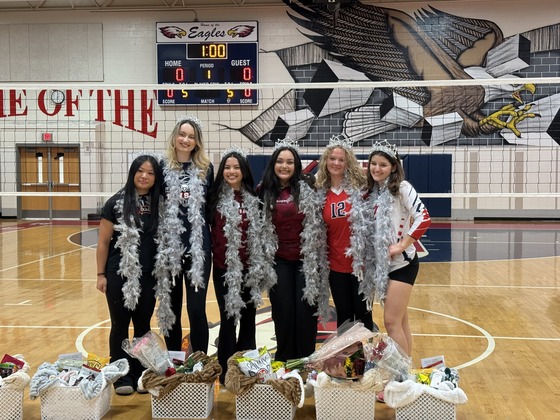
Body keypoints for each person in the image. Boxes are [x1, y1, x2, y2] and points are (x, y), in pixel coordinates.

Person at [96, 154, 164, 395]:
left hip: (149, 274)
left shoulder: (161, 203)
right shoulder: (115, 203)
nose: (144, 176)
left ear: (156, 178)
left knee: (143, 326)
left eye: (150, 173)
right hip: (118, 273)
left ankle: (141, 373)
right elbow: (103, 242)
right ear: (132, 173)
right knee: (120, 325)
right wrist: (100, 274)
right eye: (140, 171)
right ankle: (121, 375)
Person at [258, 139, 329, 362]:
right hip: (278, 261)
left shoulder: (309, 187)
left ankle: (306, 359)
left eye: (290, 162)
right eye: (280, 161)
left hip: (306, 261)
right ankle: (285, 358)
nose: (284, 166)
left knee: (306, 311)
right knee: (283, 311)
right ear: (273, 164)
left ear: (296, 165)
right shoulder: (263, 190)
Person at [207, 147, 268, 384]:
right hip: (224, 269)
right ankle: (225, 369)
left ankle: (246, 366)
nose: (232, 171)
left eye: (236, 167)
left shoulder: (254, 198)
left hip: (250, 269)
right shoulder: (213, 198)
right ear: (222, 171)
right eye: (227, 167)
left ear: (244, 171)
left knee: (249, 317)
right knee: (228, 318)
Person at [365, 139, 431, 357]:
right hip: (383, 267)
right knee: (401, 321)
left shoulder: (402, 188)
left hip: (403, 264)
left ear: (393, 167)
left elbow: (424, 218)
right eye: (373, 163)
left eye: (383, 164)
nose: (377, 168)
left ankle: (401, 376)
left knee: (391, 322)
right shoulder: (371, 193)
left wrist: (402, 244)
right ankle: (407, 371)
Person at [160, 115, 214, 353]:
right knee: (171, 308)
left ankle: (200, 359)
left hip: (198, 249)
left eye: (191, 136)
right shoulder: (161, 168)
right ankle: (174, 360)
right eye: (182, 135)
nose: (186, 139)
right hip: (169, 249)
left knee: (195, 308)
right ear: (175, 138)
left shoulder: (205, 169)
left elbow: (212, 207)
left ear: (197, 142)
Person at [315, 135, 376, 331]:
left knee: (364, 316)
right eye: (332, 158)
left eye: (341, 159)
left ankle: (365, 361)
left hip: (361, 266)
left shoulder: (362, 189)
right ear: (326, 161)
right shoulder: (320, 192)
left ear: (348, 162)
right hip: (335, 266)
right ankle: (347, 361)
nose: (336, 163)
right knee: (344, 317)